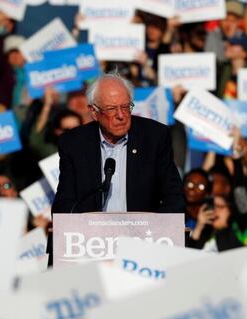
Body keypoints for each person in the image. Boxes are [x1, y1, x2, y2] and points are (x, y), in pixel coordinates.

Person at [52, 72, 185, 213]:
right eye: (111, 109)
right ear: (94, 112)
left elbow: (174, 198)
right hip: (93, 232)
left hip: (142, 232)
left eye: (125, 107)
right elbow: (64, 205)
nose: (121, 115)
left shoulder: (154, 137)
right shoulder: (74, 143)